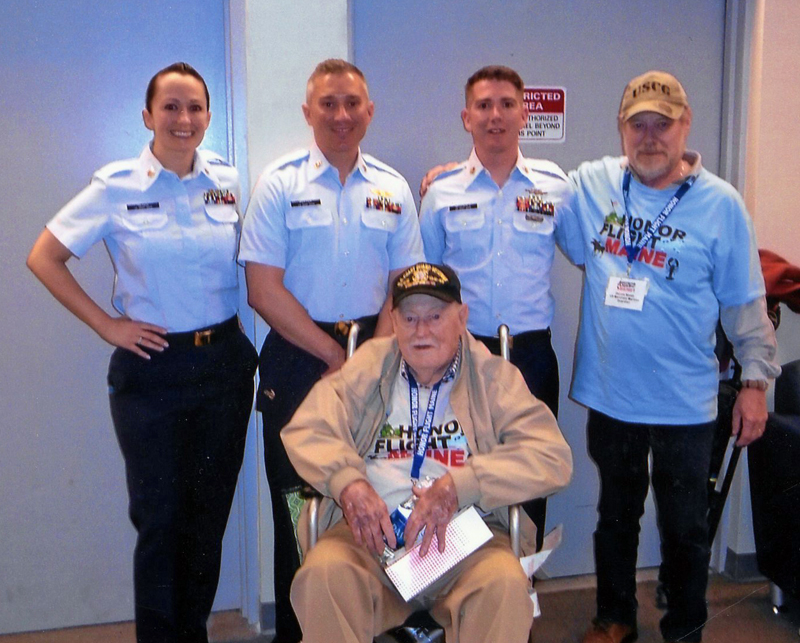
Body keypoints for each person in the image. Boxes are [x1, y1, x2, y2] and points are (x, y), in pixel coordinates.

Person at [26, 62, 258, 643]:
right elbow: (44, 257)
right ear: (148, 115)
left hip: (224, 365)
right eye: (172, 107)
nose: (184, 119)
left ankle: (193, 634)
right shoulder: (115, 186)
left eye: (195, 107)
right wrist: (107, 325)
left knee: (207, 520)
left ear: (208, 116)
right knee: (160, 521)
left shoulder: (228, 181)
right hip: (152, 371)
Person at [563, 71, 780, 643]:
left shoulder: (720, 205)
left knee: (686, 529)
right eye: (640, 124)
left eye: (664, 123)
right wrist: (460, 174)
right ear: (622, 128)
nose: (651, 136)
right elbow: (530, 196)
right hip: (613, 395)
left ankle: (685, 628)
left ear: (686, 127)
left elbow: (746, 302)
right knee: (615, 517)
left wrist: (755, 384)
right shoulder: (593, 184)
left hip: (686, 403)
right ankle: (614, 618)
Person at [281, 262, 573, 643]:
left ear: (462, 318)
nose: (422, 331)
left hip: (467, 543)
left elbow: (552, 456)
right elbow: (308, 427)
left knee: (505, 586)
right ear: (394, 321)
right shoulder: (371, 365)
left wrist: (462, 485)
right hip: (371, 541)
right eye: (410, 318)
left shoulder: (492, 377)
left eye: (435, 316)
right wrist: (348, 482)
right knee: (322, 575)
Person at [238, 59, 424, 642]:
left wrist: (370, 355)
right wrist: (333, 356)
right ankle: (301, 632)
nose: (341, 116)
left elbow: (406, 283)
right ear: (308, 112)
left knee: (379, 489)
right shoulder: (280, 184)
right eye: (329, 104)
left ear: (369, 110)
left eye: (352, 104)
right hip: (298, 356)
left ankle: (372, 622)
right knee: (300, 506)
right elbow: (263, 290)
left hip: (377, 347)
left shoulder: (392, 187)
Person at [419, 65, 581, 549]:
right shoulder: (441, 192)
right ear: (466, 117)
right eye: (484, 106)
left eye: (507, 104)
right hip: (462, 357)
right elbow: (423, 278)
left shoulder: (555, 187)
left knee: (529, 479)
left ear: (523, 113)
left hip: (530, 355)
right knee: (457, 477)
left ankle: (521, 600)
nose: (496, 116)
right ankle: (468, 599)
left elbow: (586, 252)